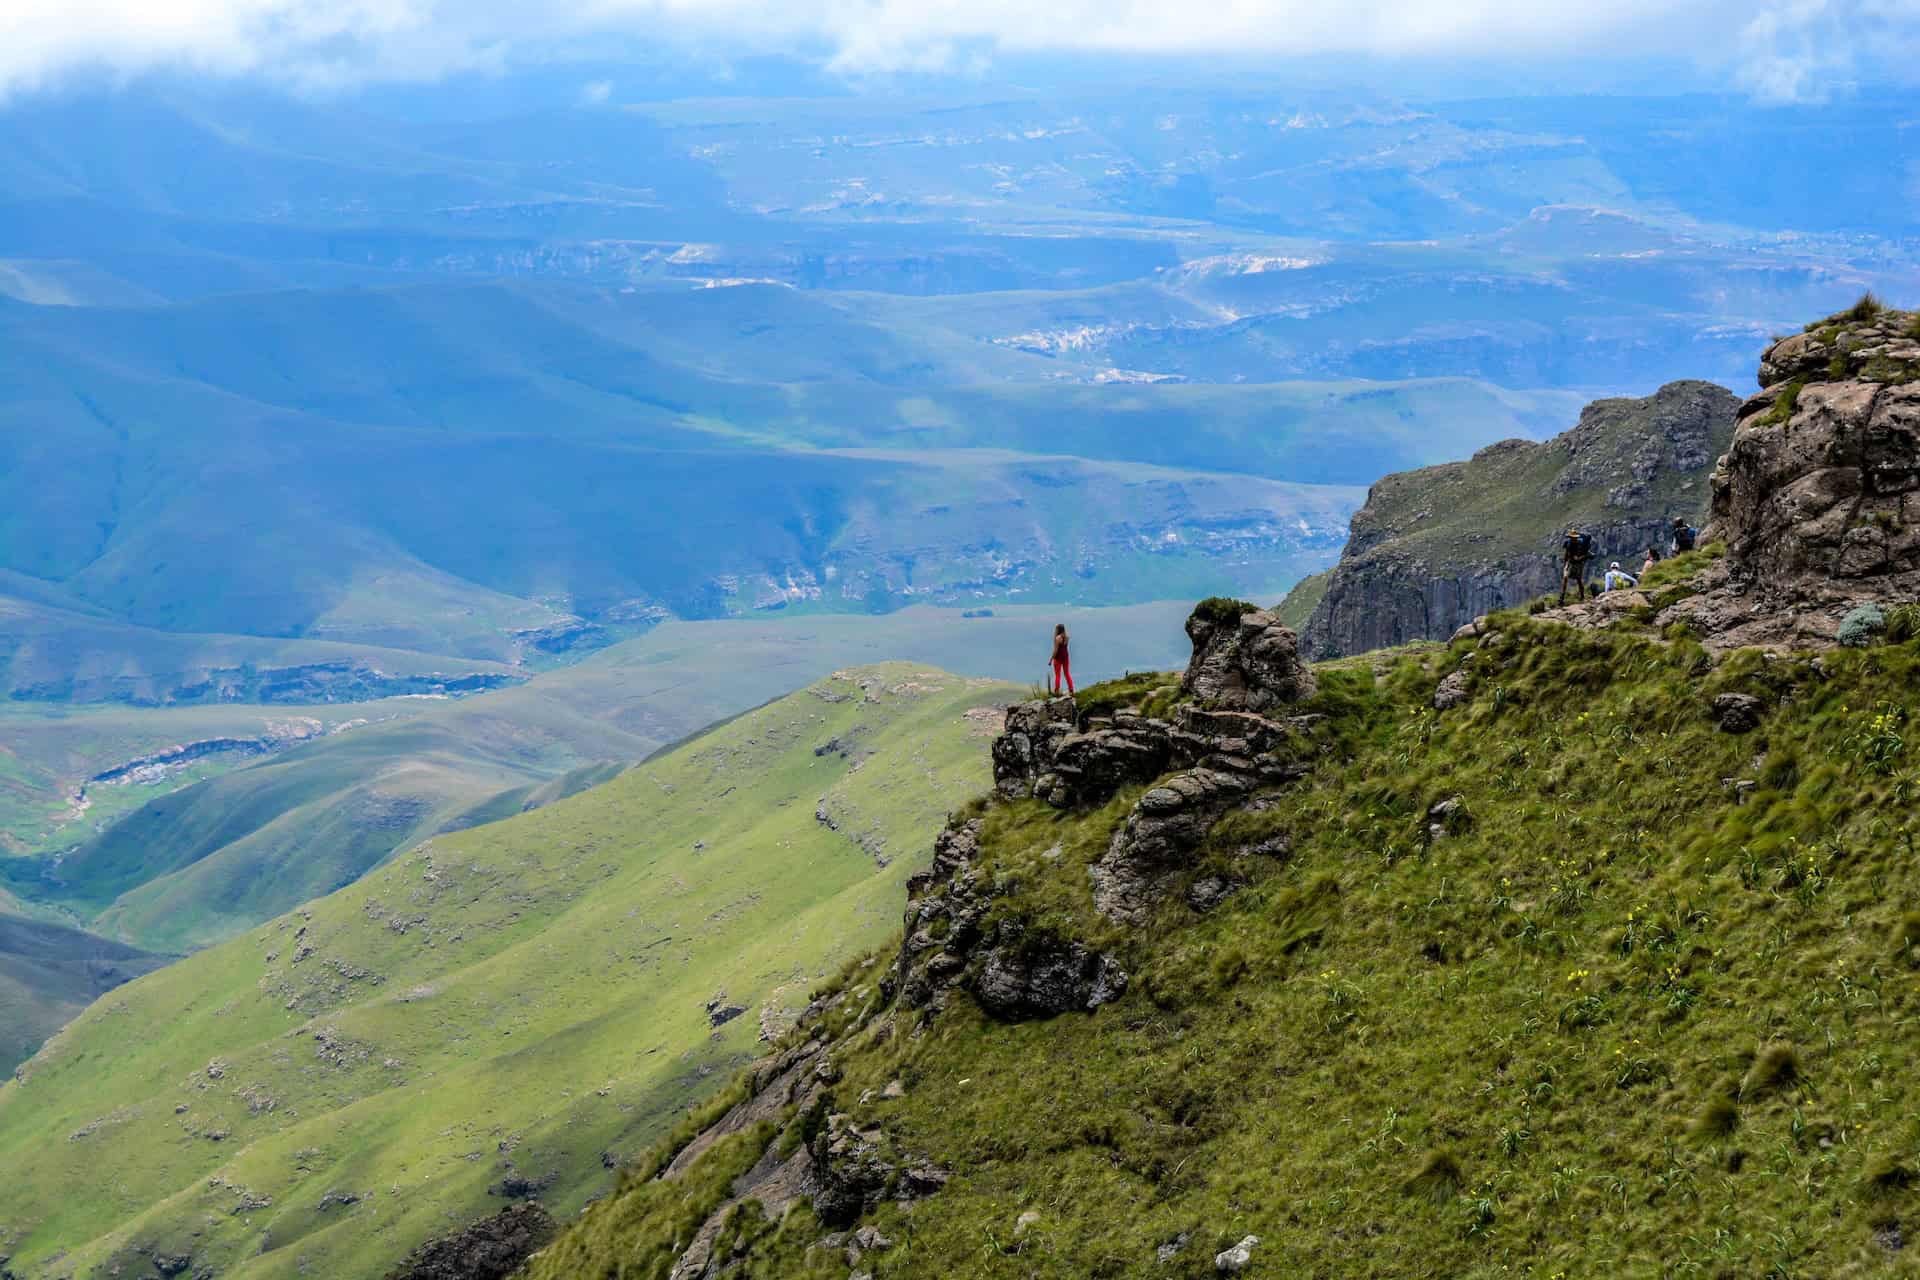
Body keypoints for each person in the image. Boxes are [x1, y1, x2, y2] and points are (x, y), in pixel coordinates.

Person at [1559, 525, 1595, 604]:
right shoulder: (1568, 544)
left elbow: (1575, 558)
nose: (1573, 539)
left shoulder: (1579, 544)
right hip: (1572, 562)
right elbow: (1567, 554)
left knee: (1578, 579)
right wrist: (1565, 563)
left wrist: (1584, 556)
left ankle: (1582, 597)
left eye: (1574, 537)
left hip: (1578, 563)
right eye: (1572, 537)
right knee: (1566, 578)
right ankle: (1562, 598)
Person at [1050, 623, 1073, 695]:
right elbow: (1064, 647)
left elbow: (1056, 650)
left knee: (1057, 675)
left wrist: (1051, 659)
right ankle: (1071, 689)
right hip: (1065, 657)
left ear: (1058, 629)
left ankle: (1056, 691)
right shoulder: (1067, 637)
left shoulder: (1057, 638)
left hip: (1058, 658)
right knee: (1067, 673)